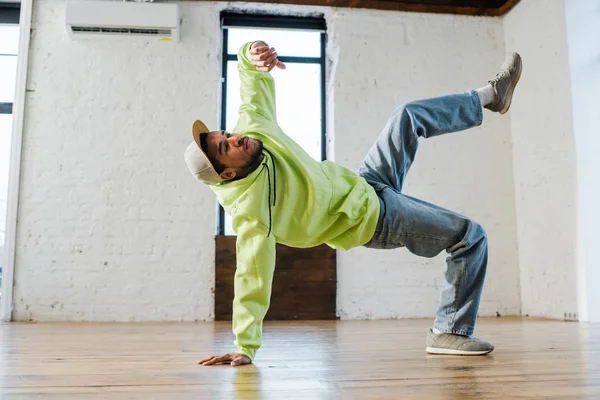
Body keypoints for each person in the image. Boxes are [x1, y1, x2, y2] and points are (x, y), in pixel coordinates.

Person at [184, 40, 522, 366]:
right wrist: (245, 344)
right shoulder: (252, 210)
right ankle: (449, 331)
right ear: (227, 174)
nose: (234, 138)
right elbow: (252, 274)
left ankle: (491, 97)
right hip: (372, 218)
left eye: (224, 134)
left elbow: (249, 78)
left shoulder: (253, 129)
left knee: (406, 115)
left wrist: (252, 52)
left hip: (365, 184)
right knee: (469, 236)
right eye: (225, 147)